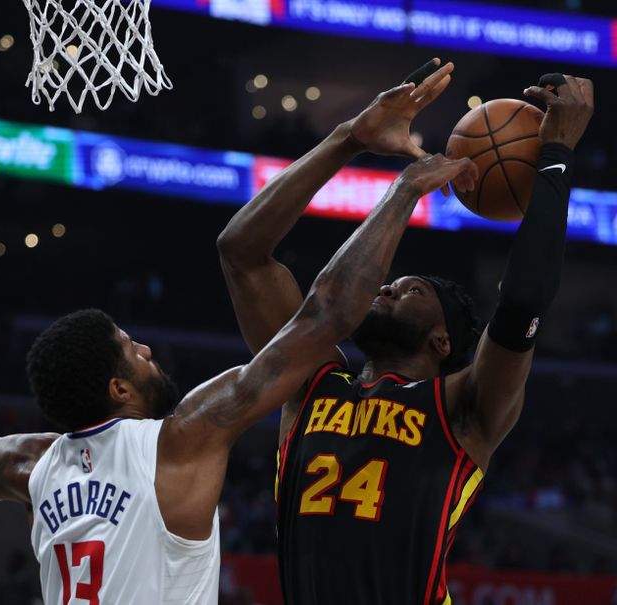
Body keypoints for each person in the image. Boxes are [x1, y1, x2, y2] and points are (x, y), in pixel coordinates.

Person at [0, 121, 475, 604]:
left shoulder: (30, 464)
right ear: (118, 386)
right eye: (132, 347)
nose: (148, 349)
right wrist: (392, 182)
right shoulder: (182, 439)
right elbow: (326, 317)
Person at [217, 62, 593, 604]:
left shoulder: (463, 408)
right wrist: (348, 139)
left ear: (443, 341)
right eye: (390, 285)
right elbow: (242, 255)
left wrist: (556, 155)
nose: (387, 290)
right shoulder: (308, 382)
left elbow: (524, 301)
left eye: (410, 290)